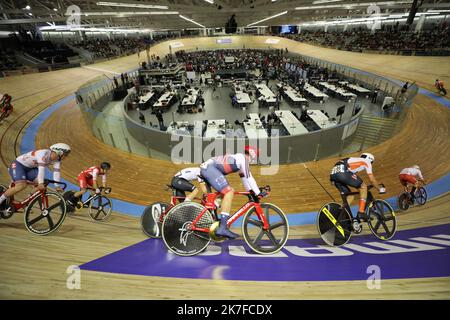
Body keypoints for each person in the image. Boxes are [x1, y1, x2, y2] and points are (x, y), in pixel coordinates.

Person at [199, 146, 267, 239]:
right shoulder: (243, 159)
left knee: (230, 191)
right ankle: (223, 227)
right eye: (256, 157)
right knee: (229, 192)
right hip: (210, 168)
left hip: (209, 168)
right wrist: (258, 193)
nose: (255, 159)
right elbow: (249, 177)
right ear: (253, 154)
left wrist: (251, 192)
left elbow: (245, 179)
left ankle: (217, 205)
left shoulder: (239, 159)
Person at [0, 143, 71, 214]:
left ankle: (26, 203)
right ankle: (0, 199)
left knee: (44, 184)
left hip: (31, 169)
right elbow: (41, 170)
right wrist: (40, 183)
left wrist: (57, 186)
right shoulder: (43, 154)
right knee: (21, 185)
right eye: (66, 154)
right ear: (60, 152)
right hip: (19, 165)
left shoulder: (57, 160)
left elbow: (56, 172)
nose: (66, 156)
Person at [329, 153, 385, 229]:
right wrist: (379, 188)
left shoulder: (354, 160)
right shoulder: (366, 161)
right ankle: (361, 212)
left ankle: (340, 216)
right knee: (363, 187)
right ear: (370, 159)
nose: (371, 164)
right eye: (372, 162)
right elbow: (371, 179)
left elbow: (350, 177)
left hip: (333, 174)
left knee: (350, 196)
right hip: (343, 172)